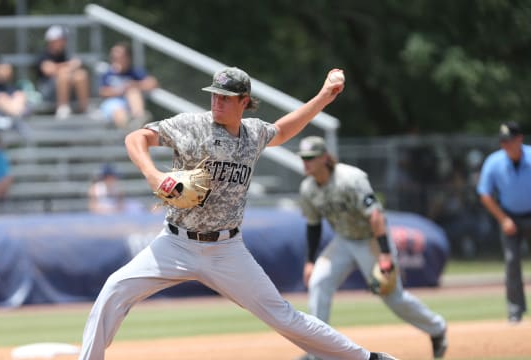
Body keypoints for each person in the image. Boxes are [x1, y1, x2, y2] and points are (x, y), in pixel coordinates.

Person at [77, 66, 397, 360]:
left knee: (283, 316)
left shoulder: (253, 134)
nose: (218, 102)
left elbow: (283, 130)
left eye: (226, 98)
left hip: (226, 249)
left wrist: (324, 97)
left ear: (244, 101)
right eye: (215, 95)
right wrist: (153, 174)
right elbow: (136, 137)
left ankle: (367, 359)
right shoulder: (193, 125)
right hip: (175, 243)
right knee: (114, 289)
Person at [294, 136, 448, 360]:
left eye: (311, 157)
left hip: (371, 239)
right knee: (319, 282)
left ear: (325, 158)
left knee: (393, 298)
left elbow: (375, 216)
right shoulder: (307, 188)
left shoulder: (350, 178)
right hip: (344, 240)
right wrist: (310, 261)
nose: (306, 162)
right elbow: (313, 225)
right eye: (303, 158)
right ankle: (318, 352)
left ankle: (437, 328)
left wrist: (385, 253)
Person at [477, 121, 531, 323]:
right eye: (502, 142)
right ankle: (515, 311)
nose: (505, 146)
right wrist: (503, 219)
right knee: (511, 262)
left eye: (509, 141)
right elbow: (484, 193)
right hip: (509, 217)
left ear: (520, 139)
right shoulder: (494, 161)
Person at [98, 42, 158, 129]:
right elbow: (103, 92)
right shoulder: (108, 73)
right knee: (117, 110)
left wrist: (134, 85)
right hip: (113, 103)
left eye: (119, 57)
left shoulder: (134, 71)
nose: (116, 59)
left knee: (133, 91)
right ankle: (131, 128)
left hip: (131, 104)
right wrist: (121, 90)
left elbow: (153, 83)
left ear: (128, 58)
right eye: (114, 57)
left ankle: (139, 118)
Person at [35, 25, 90, 120]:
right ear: (52, 41)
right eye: (61, 39)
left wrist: (71, 66)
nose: (64, 42)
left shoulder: (65, 54)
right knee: (64, 74)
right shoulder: (43, 55)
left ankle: (84, 108)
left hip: (69, 89)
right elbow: (48, 70)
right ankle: (63, 108)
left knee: (81, 75)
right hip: (48, 92)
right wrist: (69, 66)